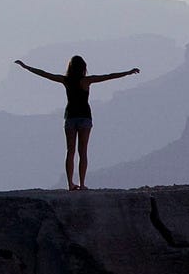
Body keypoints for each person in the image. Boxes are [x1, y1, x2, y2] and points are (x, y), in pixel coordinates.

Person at [14, 56, 140, 191]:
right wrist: (127, 72)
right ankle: (82, 183)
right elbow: (108, 76)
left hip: (70, 117)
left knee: (70, 151)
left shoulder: (66, 80)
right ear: (83, 68)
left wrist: (26, 67)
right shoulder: (86, 80)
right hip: (85, 117)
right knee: (83, 151)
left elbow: (45, 74)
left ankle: (70, 184)